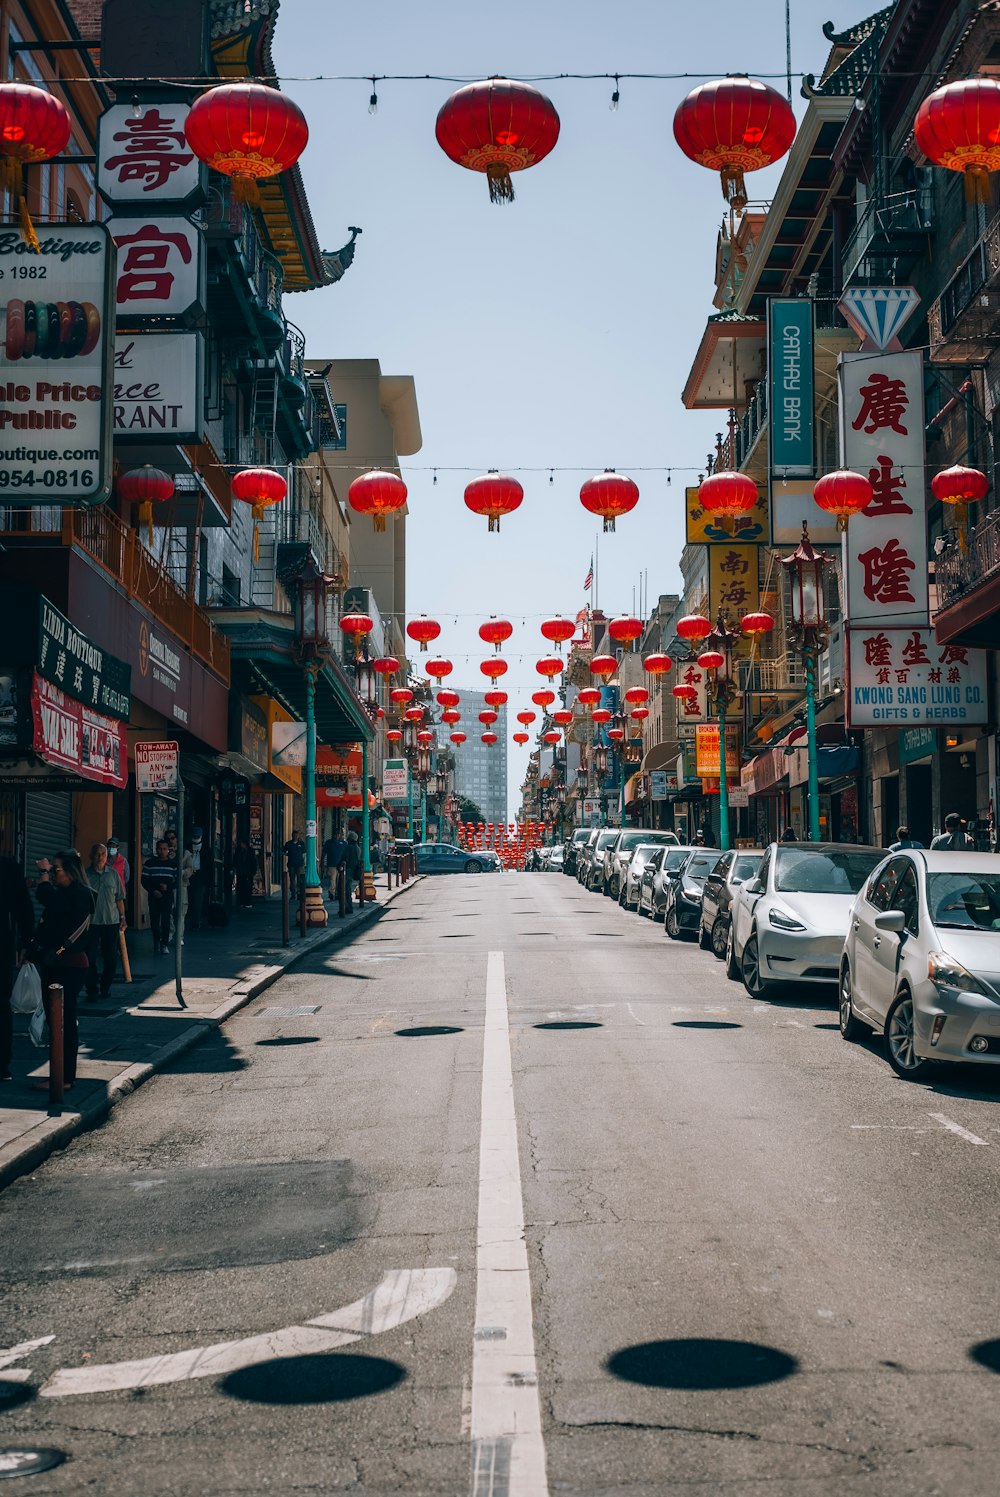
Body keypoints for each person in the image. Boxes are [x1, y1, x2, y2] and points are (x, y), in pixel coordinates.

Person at [33, 851, 96, 1090]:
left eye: (56, 869)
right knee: (62, 1021)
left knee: (61, 1022)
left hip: (65, 965)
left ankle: (63, 1079)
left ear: (70, 871)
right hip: (68, 964)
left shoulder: (74, 895)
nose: (52, 873)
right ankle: (63, 1076)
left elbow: (44, 894)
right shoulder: (78, 894)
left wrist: (42, 873)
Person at [0, 856, 34, 1083]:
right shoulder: (8, 867)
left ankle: (2, 1063)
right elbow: (24, 907)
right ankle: (2, 1064)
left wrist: (26, 943)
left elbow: (23, 907)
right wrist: (26, 943)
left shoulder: (8, 868)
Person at [84, 843, 125, 1000]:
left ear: (107, 856)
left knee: (111, 958)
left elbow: (119, 898)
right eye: (97, 854)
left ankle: (105, 987)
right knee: (90, 958)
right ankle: (92, 989)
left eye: (103, 854)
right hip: (91, 924)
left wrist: (123, 917)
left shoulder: (113, 874)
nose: (100, 857)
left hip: (111, 922)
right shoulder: (85, 876)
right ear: (91, 856)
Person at [141, 839, 178, 954]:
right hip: (153, 897)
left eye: (164, 849)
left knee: (166, 920)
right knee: (154, 920)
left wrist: (168, 887)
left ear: (168, 850)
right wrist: (153, 891)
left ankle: (164, 943)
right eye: (159, 849)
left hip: (167, 897)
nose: (162, 851)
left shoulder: (173, 864)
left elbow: (177, 882)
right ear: (156, 850)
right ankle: (156, 940)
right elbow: (144, 880)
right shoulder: (150, 863)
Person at [186, 827, 208, 929]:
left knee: (197, 900)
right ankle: (188, 918)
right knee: (187, 898)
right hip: (187, 874)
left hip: (200, 876)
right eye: (194, 836)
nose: (196, 838)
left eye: (197, 836)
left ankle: (195, 921)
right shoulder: (187, 848)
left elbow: (209, 865)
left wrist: (209, 880)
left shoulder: (206, 849)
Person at [322, 827, 347, 902]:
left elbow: (346, 853)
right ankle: (331, 893)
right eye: (335, 834)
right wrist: (322, 862)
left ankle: (337, 894)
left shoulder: (343, 843)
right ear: (333, 835)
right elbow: (324, 853)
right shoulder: (328, 843)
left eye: (338, 834)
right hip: (331, 864)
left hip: (341, 865)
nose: (337, 835)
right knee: (332, 879)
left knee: (340, 880)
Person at [343, 830, 362, 914]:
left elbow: (345, 858)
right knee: (347, 889)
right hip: (354, 870)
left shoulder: (349, 847)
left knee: (346, 889)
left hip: (348, 870)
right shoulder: (358, 848)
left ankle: (348, 907)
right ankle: (347, 907)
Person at [234, 839, 257, 908]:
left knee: (247, 888)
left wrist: (253, 871)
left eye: (242, 844)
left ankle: (247, 902)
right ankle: (241, 902)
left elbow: (253, 862)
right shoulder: (239, 850)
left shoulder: (250, 851)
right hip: (240, 871)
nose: (241, 845)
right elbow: (235, 860)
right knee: (241, 887)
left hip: (248, 872)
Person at [284, 830, 306, 902]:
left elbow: (304, 853)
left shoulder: (301, 844)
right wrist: (288, 854)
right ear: (292, 836)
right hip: (291, 864)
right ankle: (293, 894)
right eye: (294, 835)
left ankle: (299, 893)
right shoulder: (288, 844)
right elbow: (284, 851)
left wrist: (304, 863)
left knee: (300, 880)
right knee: (292, 880)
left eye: (296, 835)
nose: (295, 837)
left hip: (300, 864)